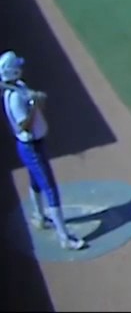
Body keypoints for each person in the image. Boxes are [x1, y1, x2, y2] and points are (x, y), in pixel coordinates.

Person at [3, 51, 87, 251]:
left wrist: (37, 100)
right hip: (30, 147)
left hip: (36, 144)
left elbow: (33, 103)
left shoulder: (20, 87)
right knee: (50, 188)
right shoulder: (13, 97)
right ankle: (64, 237)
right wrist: (34, 106)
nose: (21, 68)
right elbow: (23, 125)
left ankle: (40, 218)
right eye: (18, 66)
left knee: (36, 183)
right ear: (12, 70)